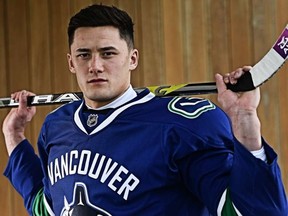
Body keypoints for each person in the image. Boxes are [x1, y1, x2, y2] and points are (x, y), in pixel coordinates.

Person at [2, 4, 287, 216]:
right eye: (84, 55)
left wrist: (245, 122)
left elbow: (249, 212)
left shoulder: (183, 126)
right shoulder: (57, 124)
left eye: (108, 53)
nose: (95, 66)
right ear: (70, 62)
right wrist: (14, 136)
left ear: (133, 58)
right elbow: (46, 206)